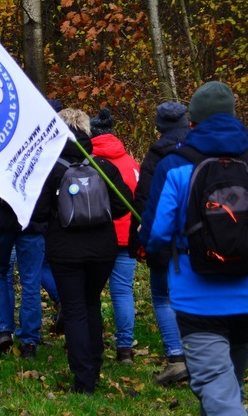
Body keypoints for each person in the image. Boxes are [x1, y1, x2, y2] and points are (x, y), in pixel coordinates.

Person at [139, 81, 248, 415]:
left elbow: (155, 236)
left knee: (218, 391)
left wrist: (148, 235)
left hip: (196, 299)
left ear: (192, 123)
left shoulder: (174, 166)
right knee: (228, 388)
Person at [33, 107, 132, 394]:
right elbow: (123, 203)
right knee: (91, 305)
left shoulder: (51, 168)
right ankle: (95, 365)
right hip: (103, 248)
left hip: (65, 250)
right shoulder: (103, 166)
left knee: (75, 309)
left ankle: (84, 379)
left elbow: (38, 213)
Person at [129, 101, 190, 385]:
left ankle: (177, 358)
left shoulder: (156, 156)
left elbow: (144, 198)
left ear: (158, 126)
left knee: (162, 296)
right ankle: (199, 356)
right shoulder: (199, 150)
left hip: (163, 238)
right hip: (196, 239)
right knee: (191, 297)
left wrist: (142, 234)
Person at [89, 107, 140, 365]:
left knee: (90, 292)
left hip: (99, 235)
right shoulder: (131, 163)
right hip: (128, 235)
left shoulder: (90, 163)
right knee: (122, 292)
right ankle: (124, 350)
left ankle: (92, 342)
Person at [0, 195, 45, 359]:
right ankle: (29, 340)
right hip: (33, 218)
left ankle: (2, 329)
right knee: (31, 282)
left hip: (1, 219)